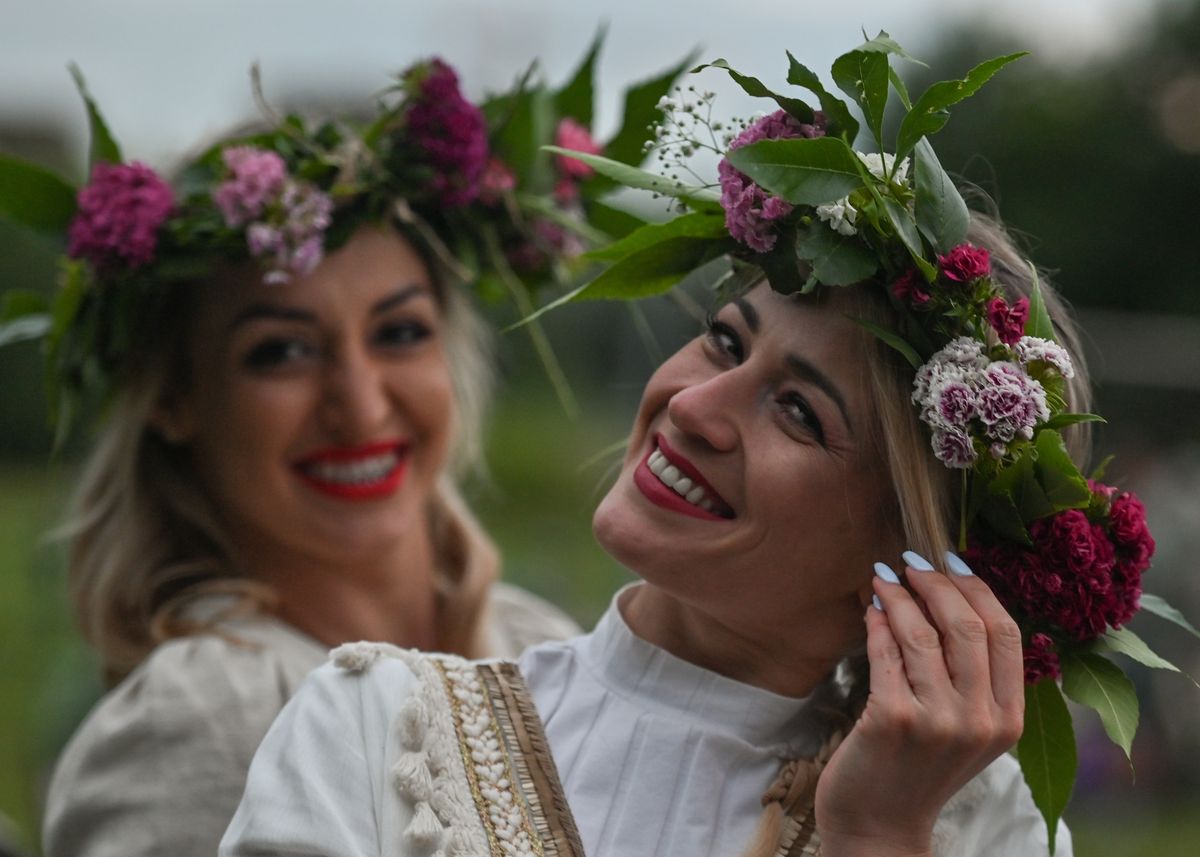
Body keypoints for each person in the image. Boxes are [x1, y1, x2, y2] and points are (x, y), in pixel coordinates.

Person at [219, 39, 1174, 857]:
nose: (697, 405)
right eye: (725, 339)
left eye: (800, 412)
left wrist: (877, 837)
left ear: (909, 560)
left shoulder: (979, 824)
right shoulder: (375, 728)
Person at [0, 55, 625, 857]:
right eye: (281, 351)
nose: (361, 403)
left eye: (399, 332)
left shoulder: (543, 646)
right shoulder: (197, 713)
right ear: (175, 397)